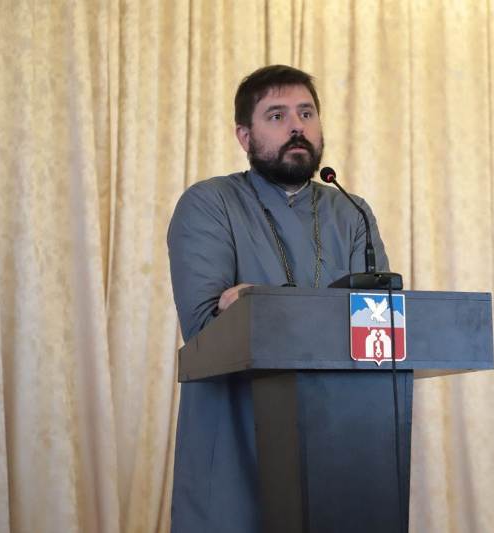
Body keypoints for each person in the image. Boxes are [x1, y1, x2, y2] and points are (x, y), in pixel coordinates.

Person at [167, 65, 390, 531]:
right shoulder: (209, 203)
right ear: (244, 136)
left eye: (306, 113)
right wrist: (327, 313)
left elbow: (377, 325)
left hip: (335, 436)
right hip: (235, 439)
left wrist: (258, 301)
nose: (296, 126)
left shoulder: (351, 213)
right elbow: (206, 329)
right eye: (276, 115)